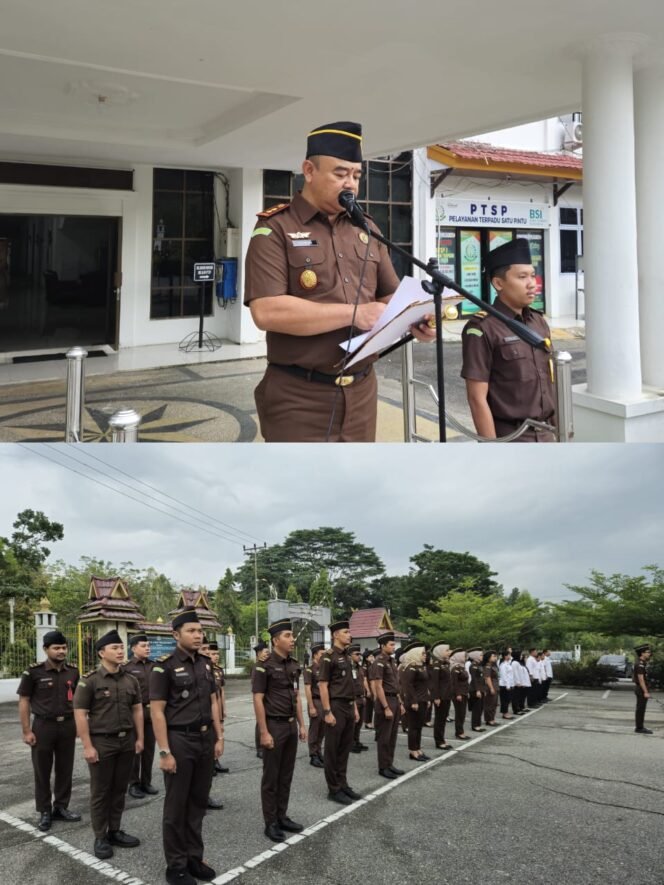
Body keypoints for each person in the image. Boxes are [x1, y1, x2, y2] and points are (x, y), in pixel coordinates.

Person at [243, 120, 436, 442]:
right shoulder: (275, 229)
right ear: (309, 170)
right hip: (298, 396)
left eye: (357, 175)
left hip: (362, 391)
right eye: (340, 173)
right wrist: (355, 313)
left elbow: (389, 295)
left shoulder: (367, 228)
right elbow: (267, 311)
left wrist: (415, 318)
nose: (351, 185)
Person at [150, 609, 224, 885]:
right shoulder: (164, 666)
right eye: (191, 630)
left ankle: (194, 857)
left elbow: (213, 702)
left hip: (205, 740)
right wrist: (164, 751)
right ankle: (176, 866)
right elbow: (157, 712)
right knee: (176, 807)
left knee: (197, 803)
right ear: (176, 634)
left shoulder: (205, 664)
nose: (197, 635)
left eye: (199, 630)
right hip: (179, 741)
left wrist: (219, 736)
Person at [461, 237, 556, 442]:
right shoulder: (482, 328)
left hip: (548, 433)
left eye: (532, 275)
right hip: (513, 437)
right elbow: (477, 398)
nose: (532, 283)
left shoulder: (538, 322)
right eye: (522, 277)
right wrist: (494, 450)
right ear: (498, 283)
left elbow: (550, 384)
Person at [73, 630, 143, 861]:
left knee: (119, 790)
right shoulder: (90, 680)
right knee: (101, 792)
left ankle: (115, 830)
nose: (121, 651)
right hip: (102, 742)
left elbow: (137, 710)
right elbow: (81, 714)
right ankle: (100, 836)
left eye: (121, 647)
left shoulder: (130, 679)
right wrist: (87, 746)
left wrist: (140, 738)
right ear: (102, 652)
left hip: (126, 741)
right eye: (115, 648)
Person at [17, 629, 81, 832]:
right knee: (42, 770)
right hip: (43, 726)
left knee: (65, 769)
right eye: (56, 648)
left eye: (64, 647)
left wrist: (80, 725)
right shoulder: (33, 672)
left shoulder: (73, 671)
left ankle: (61, 807)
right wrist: (27, 730)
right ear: (46, 649)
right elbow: (24, 700)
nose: (61, 651)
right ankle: (45, 810)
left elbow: (78, 700)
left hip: (67, 725)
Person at [252, 619, 306, 842]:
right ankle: (270, 822)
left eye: (292, 635)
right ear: (275, 640)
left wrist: (302, 725)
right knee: (271, 776)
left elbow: (296, 697)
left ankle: (282, 816)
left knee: (286, 775)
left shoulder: (293, 665)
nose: (292, 639)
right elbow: (258, 699)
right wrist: (263, 732)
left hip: (291, 725)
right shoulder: (263, 665)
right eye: (287, 636)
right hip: (273, 725)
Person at [318, 619, 362, 804]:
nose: (349, 635)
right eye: (346, 632)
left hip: (349, 706)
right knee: (332, 750)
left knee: (345, 748)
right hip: (335, 706)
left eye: (349, 632)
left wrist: (355, 707)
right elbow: (323, 685)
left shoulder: (348, 657)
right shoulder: (328, 657)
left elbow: (350, 684)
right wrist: (327, 711)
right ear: (336, 635)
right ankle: (333, 788)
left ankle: (343, 784)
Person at [124, 633, 157, 799]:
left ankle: (146, 782)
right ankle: (133, 783)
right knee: (136, 748)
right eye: (144, 646)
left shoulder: (154, 665)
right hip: (135, 712)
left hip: (152, 712)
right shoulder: (127, 668)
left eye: (148, 646)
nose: (147, 648)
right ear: (133, 648)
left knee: (149, 749)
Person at [369, 631, 405, 779]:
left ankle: (389, 764)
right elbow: (378, 687)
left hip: (395, 700)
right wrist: (385, 707)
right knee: (384, 737)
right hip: (386, 701)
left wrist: (400, 703)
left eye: (394, 644)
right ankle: (383, 767)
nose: (394, 646)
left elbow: (395, 685)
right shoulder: (379, 662)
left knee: (393, 736)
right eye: (391, 644)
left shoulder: (391, 661)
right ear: (383, 646)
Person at [399, 641, 430, 761]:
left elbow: (422, 684)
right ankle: (413, 751)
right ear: (415, 654)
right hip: (414, 701)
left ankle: (418, 749)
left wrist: (426, 698)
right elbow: (408, 686)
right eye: (422, 653)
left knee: (419, 727)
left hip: (422, 699)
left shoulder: (419, 666)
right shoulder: (410, 667)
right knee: (413, 727)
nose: (425, 655)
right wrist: (414, 701)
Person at [303, 642, 326, 767]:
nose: (324, 656)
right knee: (315, 729)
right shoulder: (309, 670)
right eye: (322, 654)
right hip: (315, 701)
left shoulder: (324, 669)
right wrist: (311, 706)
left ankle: (318, 751)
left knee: (322, 729)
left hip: (324, 702)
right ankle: (313, 755)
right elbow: (307, 689)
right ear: (315, 655)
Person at [430, 640, 453, 750]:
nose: (449, 652)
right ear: (439, 652)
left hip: (447, 695)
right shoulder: (436, 665)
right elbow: (434, 683)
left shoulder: (445, 664)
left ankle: (442, 738)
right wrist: (436, 697)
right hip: (441, 696)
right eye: (447, 650)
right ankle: (439, 741)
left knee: (443, 718)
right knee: (439, 719)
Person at [251, 641, 271, 758]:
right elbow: (256, 685)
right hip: (261, 698)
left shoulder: (267, 665)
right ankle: (259, 748)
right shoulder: (257, 666)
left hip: (269, 698)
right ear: (259, 653)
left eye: (269, 652)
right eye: (265, 652)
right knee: (260, 722)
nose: (268, 654)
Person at [349, 643, 369, 753]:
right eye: (356, 654)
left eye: (359, 654)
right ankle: (350, 743)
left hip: (361, 697)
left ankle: (356, 741)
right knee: (353, 723)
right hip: (354, 698)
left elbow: (362, 682)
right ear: (350, 655)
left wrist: (365, 694)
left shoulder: (360, 668)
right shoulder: (349, 668)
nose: (359, 656)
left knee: (359, 722)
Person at [449, 648, 470, 740]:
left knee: (463, 713)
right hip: (459, 694)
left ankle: (461, 731)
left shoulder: (462, 666)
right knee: (460, 713)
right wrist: (458, 694)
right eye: (464, 656)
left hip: (464, 692)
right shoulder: (455, 668)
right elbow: (454, 683)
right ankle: (459, 732)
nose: (465, 658)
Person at [633, 644, 653, 735]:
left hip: (642, 689)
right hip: (641, 689)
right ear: (642, 653)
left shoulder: (643, 663)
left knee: (641, 708)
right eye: (648, 652)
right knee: (640, 709)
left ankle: (640, 726)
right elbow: (641, 680)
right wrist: (645, 692)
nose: (649, 654)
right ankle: (639, 728)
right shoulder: (640, 664)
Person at [467, 649, 486, 732]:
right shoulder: (473, 666)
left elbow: (482, 678)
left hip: (480, 688)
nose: (482, 657)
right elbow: (474, 679)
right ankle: (475, 725)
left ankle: (478, 724)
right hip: (475, 689)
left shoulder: (479, 665)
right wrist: (478, 690)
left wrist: (483, 689)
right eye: (481, 655)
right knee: (476, 708)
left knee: (480, 708)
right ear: (475, 656)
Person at [483, 650, 499, 726]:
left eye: (496, 656)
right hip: (490, 687)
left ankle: (492, 718)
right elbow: (487, 678)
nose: (495, 658)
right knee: (489, 704)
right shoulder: (487, 666)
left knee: (494, 704)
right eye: (493, 656)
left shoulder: (494, 665)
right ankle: (489, 720)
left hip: (496, 686)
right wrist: (491, 688)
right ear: (488, 657)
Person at [498, 650, 514, 720]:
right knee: (504, 700)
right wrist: (507, 685)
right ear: (505, 656)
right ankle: (505, 713)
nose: (510, 656)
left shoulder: (508, 663)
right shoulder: (503, 665)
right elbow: (504, 676)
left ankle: (506, 712)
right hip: (504, 685)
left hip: (509, 684)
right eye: (509, 655)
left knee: (508, 700)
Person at [362, 648, 376, 729]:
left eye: (373, 656)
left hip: (372, 687)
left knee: (371, 706)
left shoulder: (371, 665)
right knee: (369, 706)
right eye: (370, 656)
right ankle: (368, 722)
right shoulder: (365, 667)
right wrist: (368, 690)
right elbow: (364, 679)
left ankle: (369, 721)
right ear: (366, 658)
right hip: (368, 688)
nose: (372, 657)